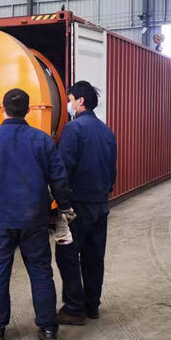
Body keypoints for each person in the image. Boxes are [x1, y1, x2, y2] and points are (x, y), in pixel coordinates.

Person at [0, 88, 75, 340]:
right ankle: (48, 328)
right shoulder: (41, 140)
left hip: (0, 219)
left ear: (3, 109)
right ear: (27, 111)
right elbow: (59, 177)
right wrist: (64, 207)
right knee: (40, 270)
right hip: (34, 218)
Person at [55, 81, 117, 324]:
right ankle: (92, 306)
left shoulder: (74, 129)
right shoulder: (106, 130)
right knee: (94, 257)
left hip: (77, 206)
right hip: (100, 204)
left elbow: (63, 169)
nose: (69, 104)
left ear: (80, 101)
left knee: (67, 254)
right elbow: (112, 169)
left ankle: (73, 308)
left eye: (70, 99)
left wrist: (60, 203)